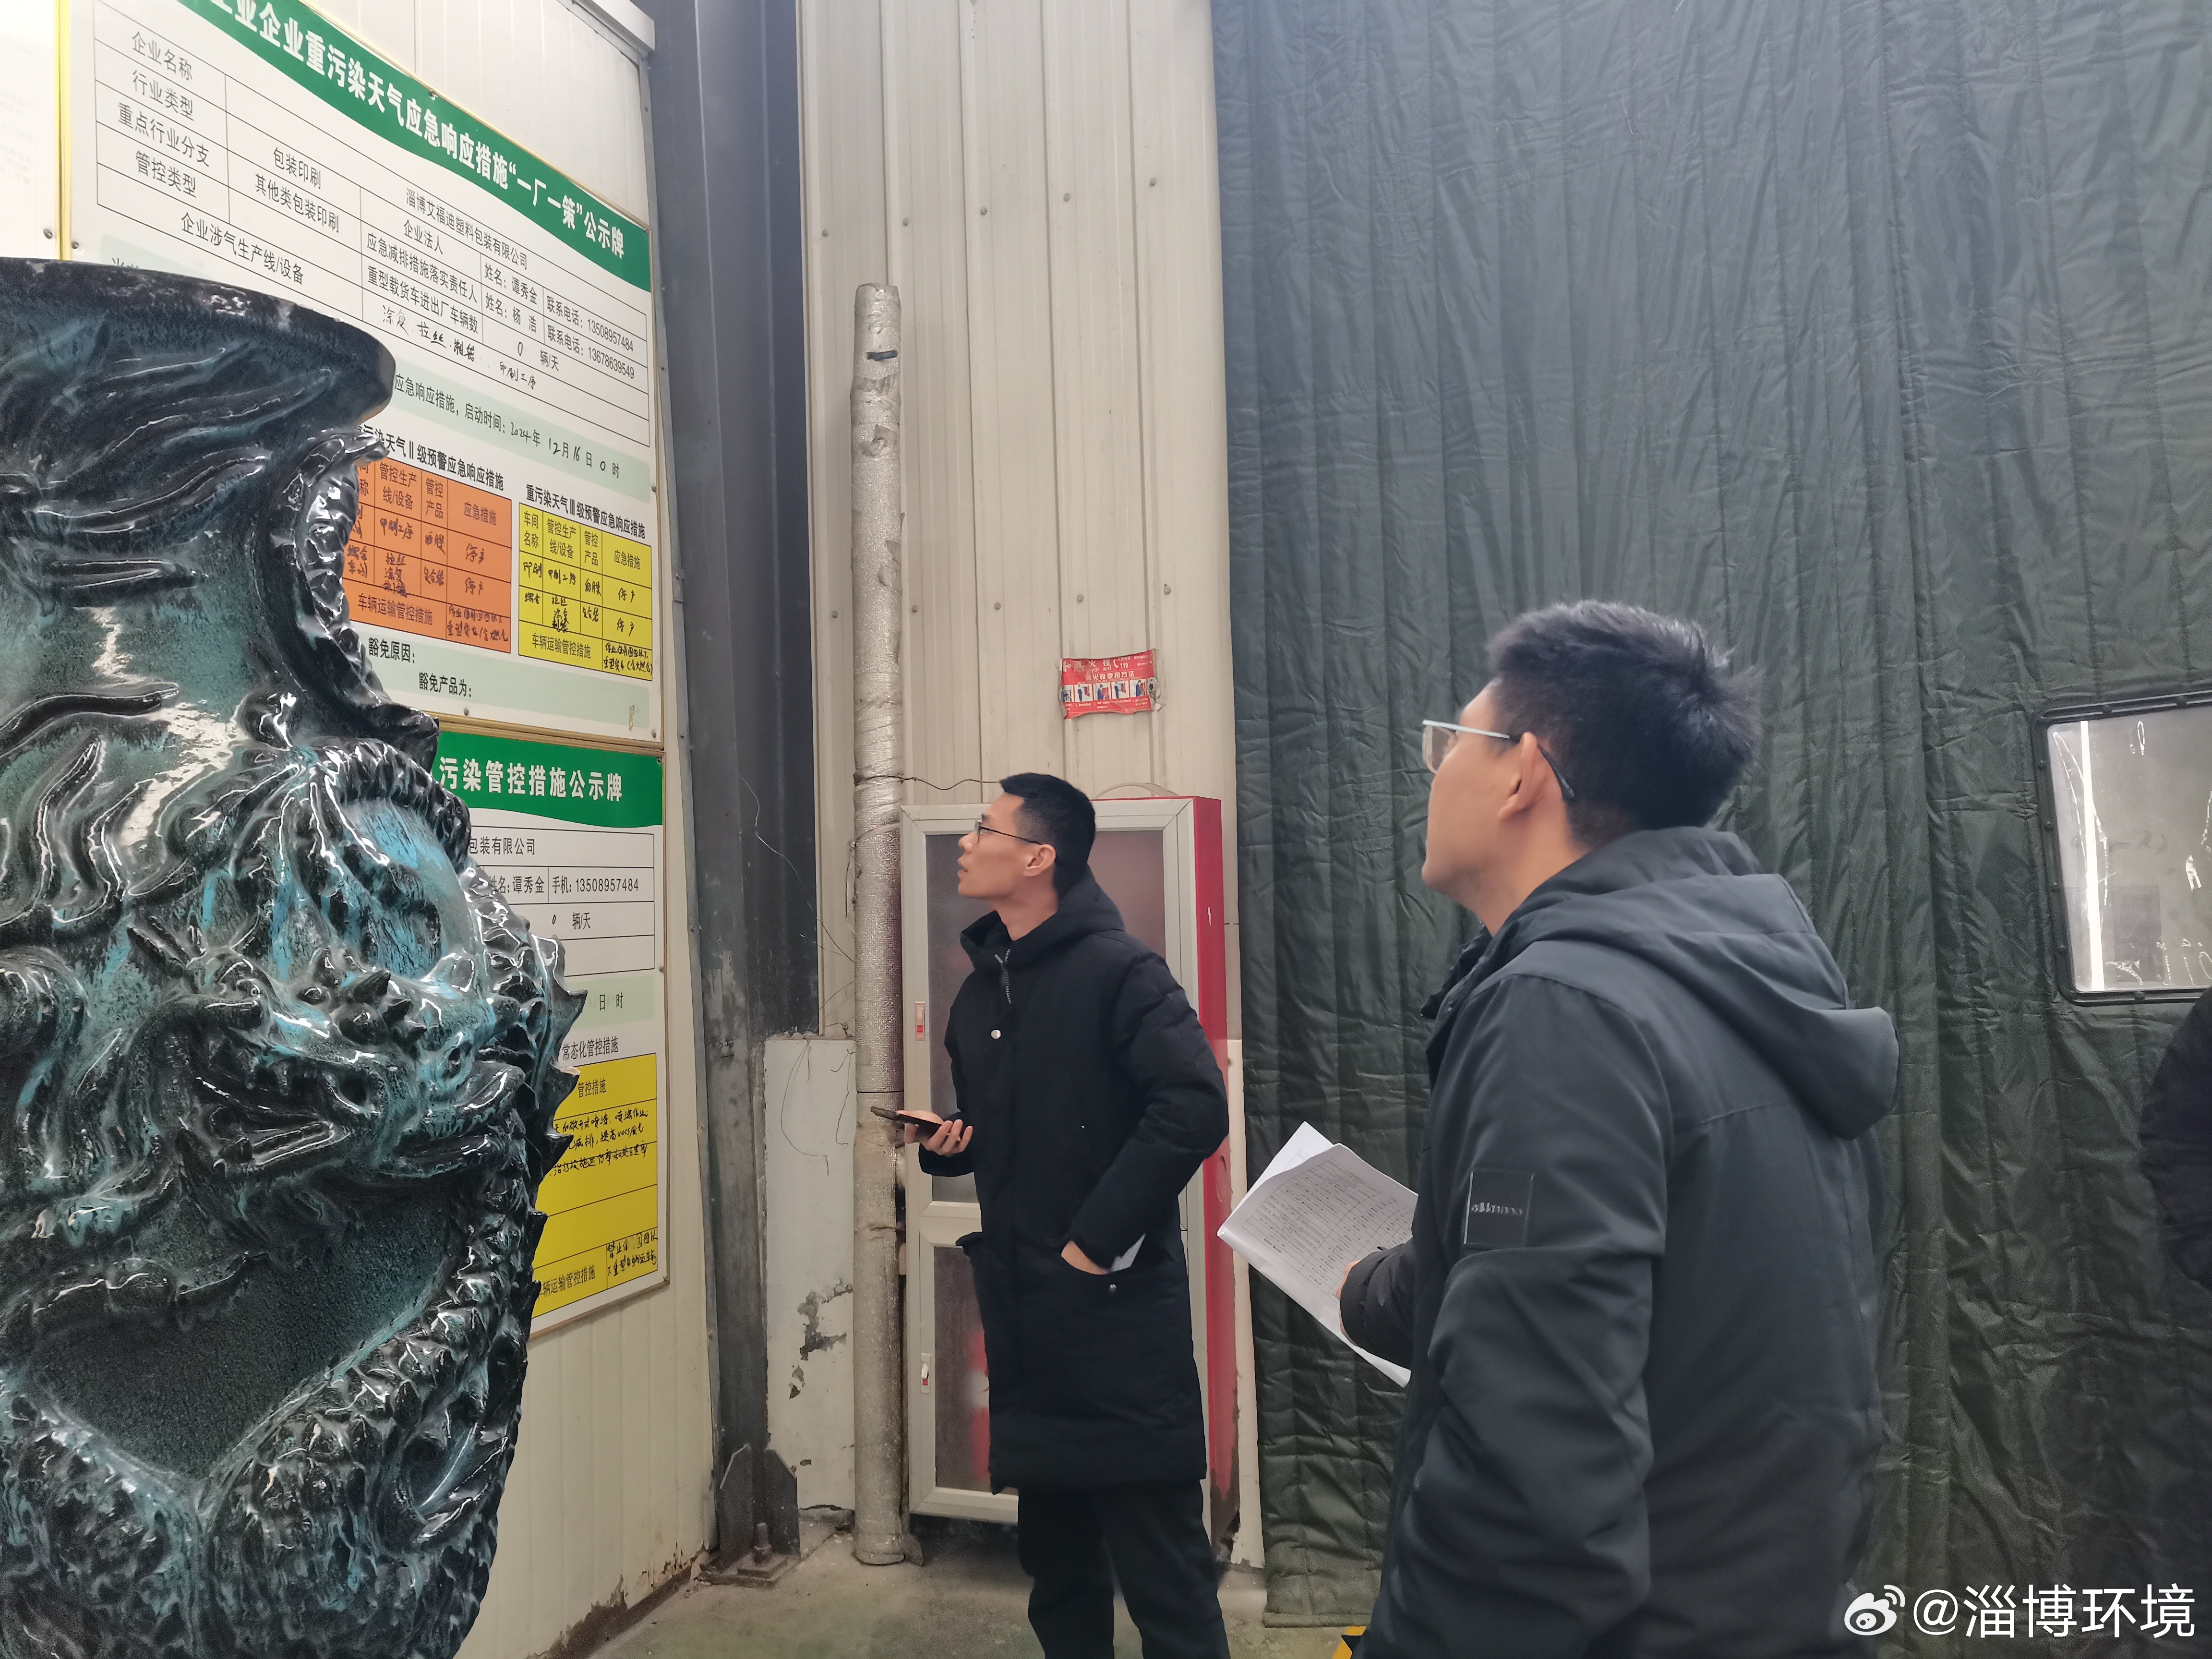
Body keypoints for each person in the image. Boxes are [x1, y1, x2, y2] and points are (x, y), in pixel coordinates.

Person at [1338, 601, 1897, 1658]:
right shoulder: (1736, 979)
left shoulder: (1565, 1009)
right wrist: (1373, 1287)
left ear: (1522, 772)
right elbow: (1605, 1275)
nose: (1436, 772)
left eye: (1451, 742)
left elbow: (1531, 1452)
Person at [911, 773, 1231, 1659]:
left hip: (1116, 1323)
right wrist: (954, 1143)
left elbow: (1194, 1107)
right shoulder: (982, 996)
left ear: (1038, 858)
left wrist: (1094, 1241)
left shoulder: (1121, 972)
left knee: (1166, 1580)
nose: (966, 843)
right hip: (1029, 1324)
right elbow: (1019, 1130)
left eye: (985, 829)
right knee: (1057, 1575)